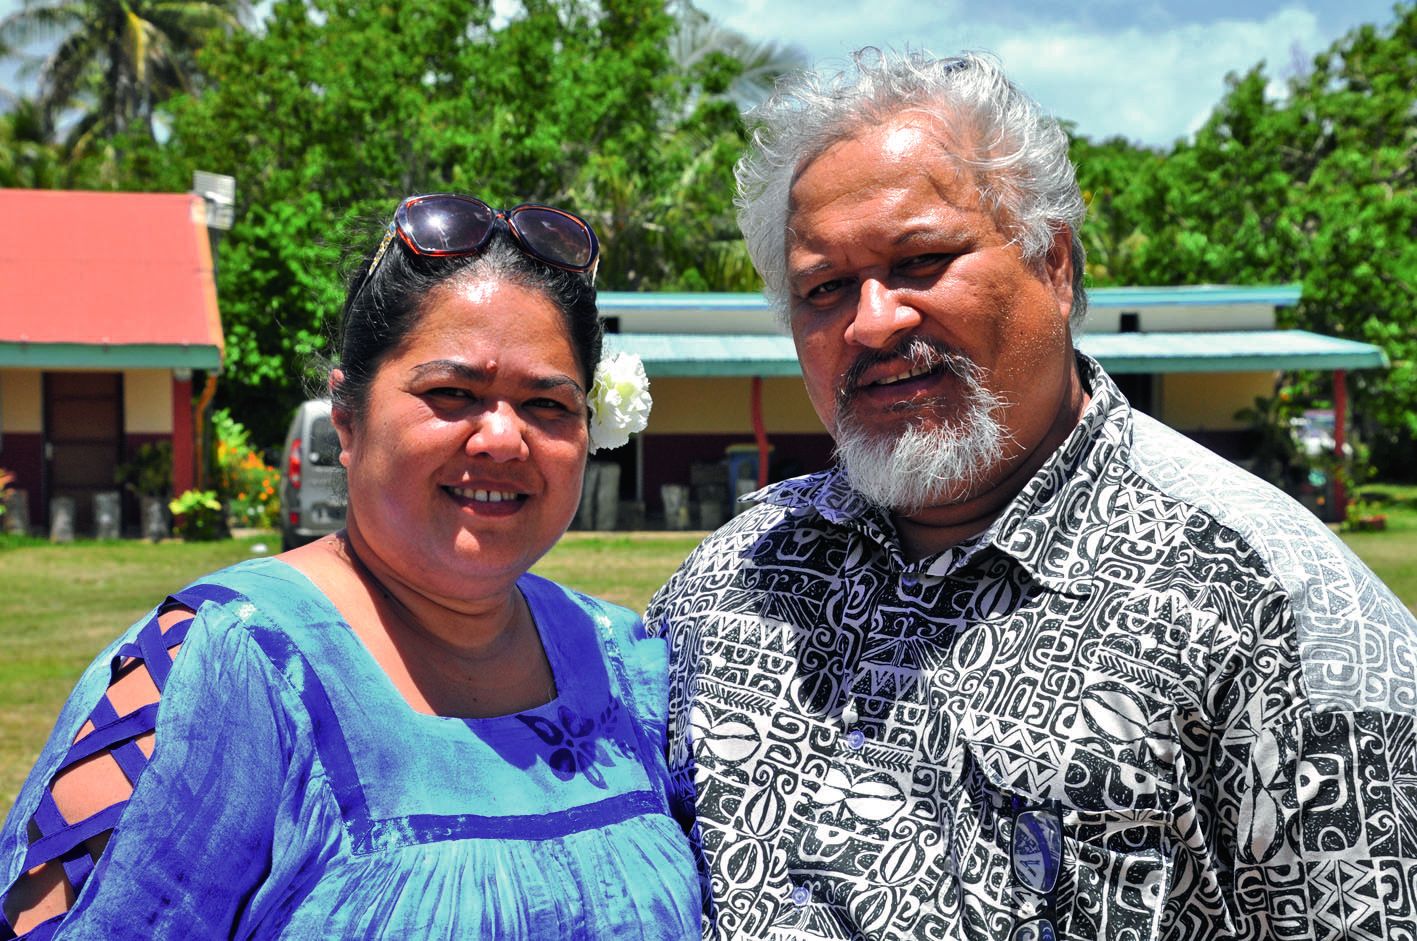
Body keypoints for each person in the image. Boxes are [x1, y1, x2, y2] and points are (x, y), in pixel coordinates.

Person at [645, 48, 1417, 940]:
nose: (871, 320)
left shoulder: (1270, 605)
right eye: (824, 288)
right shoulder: (730, 582)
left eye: (921, 260)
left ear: (1052, 265)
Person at [0, 192, 694, 939]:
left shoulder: (624, 661)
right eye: (452, 393)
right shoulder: (222, 666)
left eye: (547, 404)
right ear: (347, 419)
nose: (503, 437)